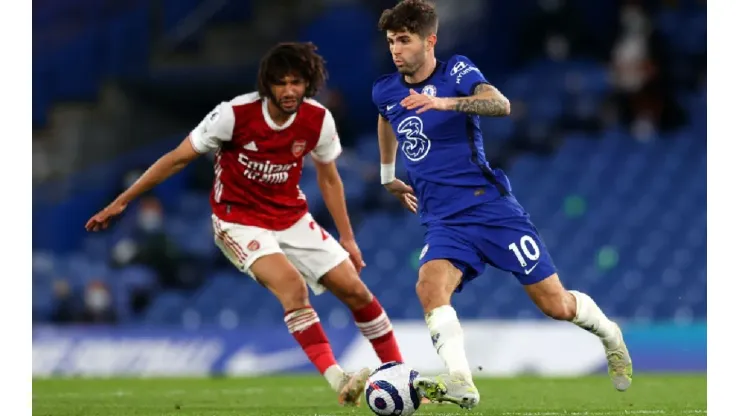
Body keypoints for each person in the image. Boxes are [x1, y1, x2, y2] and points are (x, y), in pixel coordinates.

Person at [86, 42, 404, 407]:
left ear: (308, 84)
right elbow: (176, 159)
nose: (289, 90)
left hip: (291, 216)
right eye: (281, 82)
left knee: (357, 291)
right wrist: (122, 201)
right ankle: (339, 379)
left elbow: (330, 179)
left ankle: (399, 376)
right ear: (267, 84)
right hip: (238, 221)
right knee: (292, 288)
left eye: (296, 82)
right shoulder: (233, 115)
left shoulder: (318, 119)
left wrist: (347, 238)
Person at [371, 0, 632, 409]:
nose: (396, 49)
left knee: (556, 305)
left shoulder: (455, 71)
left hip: (490, 209)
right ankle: (461, 381)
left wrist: (444, 103)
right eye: (391, 41)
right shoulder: (385, 88)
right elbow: (385, 117)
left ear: (429, 41)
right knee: (429, 286)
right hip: (443, 221)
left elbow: (500, 104)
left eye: (404, 40)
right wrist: (388, 175)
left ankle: (609, 333)